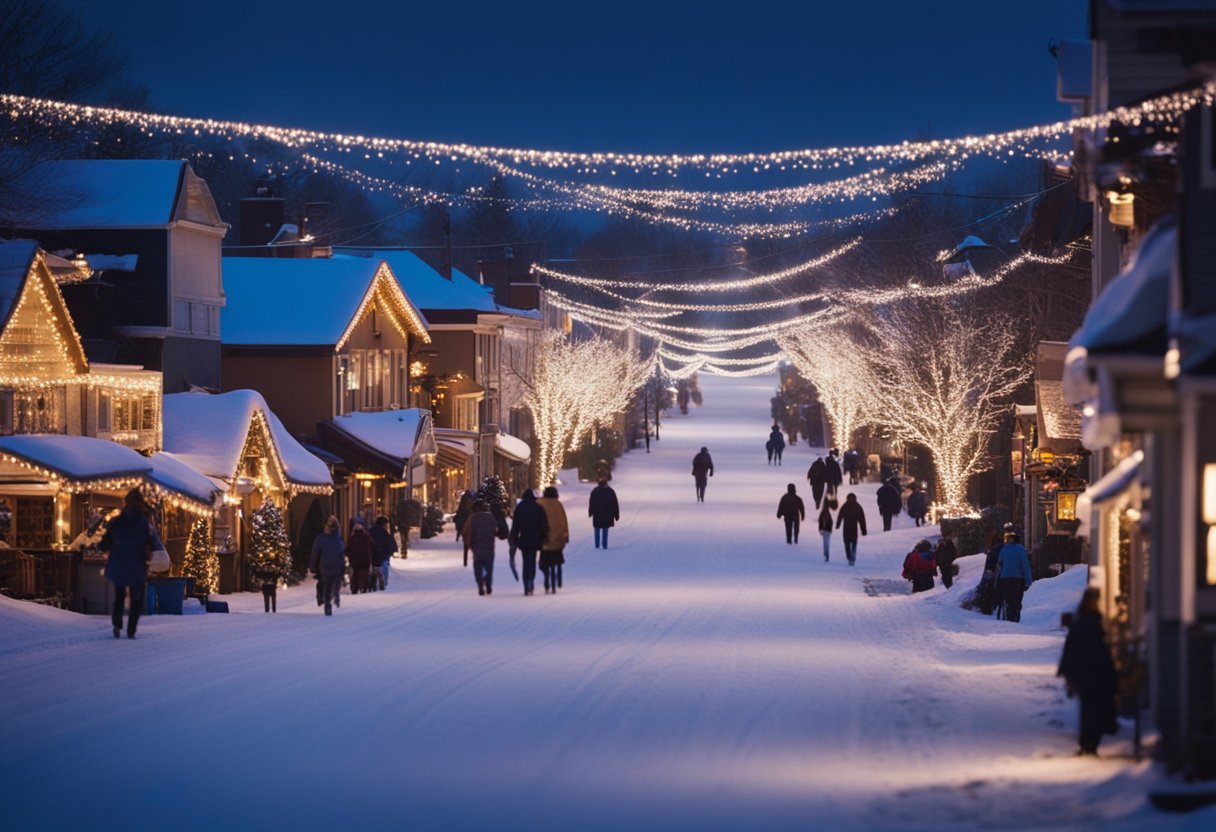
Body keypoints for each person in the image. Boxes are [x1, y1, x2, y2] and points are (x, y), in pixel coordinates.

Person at [1057, 587, 1119, 755]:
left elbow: (1070, 649)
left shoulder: (1082, 622)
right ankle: (1090, 743)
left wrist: (1067, 670)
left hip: (1085, 674)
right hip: (1094, 673)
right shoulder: (1092, 624)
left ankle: (1087, 743)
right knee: (1094, 709)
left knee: (1088, 709)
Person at [99, 488, 164, 639]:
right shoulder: (144, 523)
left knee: (119, 596)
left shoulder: (117, 521)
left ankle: (117, 624)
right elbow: (153, 543)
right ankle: (131, 630)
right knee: (137, 598)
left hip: (119, 563)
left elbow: (104, 543)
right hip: (137, 564)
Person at [509, 489, 550, 596]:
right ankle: (531, 580)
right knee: (532, 561)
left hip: (524, 540)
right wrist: (545, 536)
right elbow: (544, 524)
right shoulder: (538, 508)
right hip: (536, 540)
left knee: (525, 562)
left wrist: (514, 538)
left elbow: (515, 527)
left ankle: (526, 584)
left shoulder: (519, 509)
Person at [463, 499, 508, 595]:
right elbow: (496, 530)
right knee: (489, 566)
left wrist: (468, 544)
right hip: (488, 546)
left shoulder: (471, 518)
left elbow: (466, 532)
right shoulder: (490, 518)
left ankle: (480, 584)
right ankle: (488, 584)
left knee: (477, 565)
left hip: (476, 546)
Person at [309, 515, 345, 616]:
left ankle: (326, 601)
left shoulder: (320, 539)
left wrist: (313, 566)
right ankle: (332, 600)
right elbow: (341, 553)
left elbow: (315, 554)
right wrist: (342, 566)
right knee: (332, 584)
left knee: (326, 584)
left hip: (324, 567)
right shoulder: (338, 539)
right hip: (335, 567)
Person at [995, 531, 1033, 622]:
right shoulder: (1020, 549)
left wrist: (997, 579)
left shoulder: (1003, 550)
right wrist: (1029, 581)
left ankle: (1010, 617)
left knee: (1009, 599)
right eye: (1006, 538)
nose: (1007, 540)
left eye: (1009, 538)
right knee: (1016, 599)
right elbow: (1025, 565)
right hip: (1017, 579)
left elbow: (999, 565)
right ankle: (1014, 617)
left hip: (1006, 578)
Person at [537, 486, 569, 594]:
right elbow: (564, 521)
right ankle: (557, 577)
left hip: (545, 539)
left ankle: (547, 579)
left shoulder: (540, 503)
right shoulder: (558, 504)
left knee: (544, 561)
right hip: (558, 539)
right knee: (557, 557)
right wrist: (565, 536)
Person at [835, 492, 867, 566]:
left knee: (847, 544)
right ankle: (853, 556)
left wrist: (837, 525)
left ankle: (849, 557)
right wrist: (864, 531)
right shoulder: (858, 507)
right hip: (854, 529)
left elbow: (840, 516)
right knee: (854, 544)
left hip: (846, 529)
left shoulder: (845, 506)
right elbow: (862, 520)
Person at [588, 478, 620, 549]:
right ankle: (604, 545)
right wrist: (616, 515)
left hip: (597, 514)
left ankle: (597, 545)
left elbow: (591, 503)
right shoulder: (610, 491)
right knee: (605, 530)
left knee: (597, 529)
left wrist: (590, 512)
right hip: (607, 514)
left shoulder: (595, 491)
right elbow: (615, 504)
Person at [370, 515, 398, 590]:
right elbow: (390, 544)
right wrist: (391, 551)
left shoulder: (371, 531)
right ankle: (383, 583)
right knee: (384, 567)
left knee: (374, 569)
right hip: (382, 555)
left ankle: (374, 584)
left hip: (372, 555)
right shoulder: (385, 533)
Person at [346, 522, 374, 594]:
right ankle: (364, 587)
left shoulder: (352, 538)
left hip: (354, 561)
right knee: (365, 574)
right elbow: (372, 546)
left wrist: (348, 555)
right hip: (365, 560)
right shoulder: (367, 537)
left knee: (355, 574)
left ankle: (355, 588)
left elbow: (348, 549)